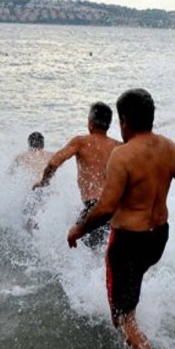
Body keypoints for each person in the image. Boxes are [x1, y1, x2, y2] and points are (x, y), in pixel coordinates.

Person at [67, 88, 175, 349]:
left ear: (125, 120)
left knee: (121, 318)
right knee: (130, 291)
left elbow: (105, 208)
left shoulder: (123, 155)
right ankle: (136, 332)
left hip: (127, 241)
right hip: (158, 239)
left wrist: (78, 229)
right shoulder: (170, 148)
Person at [34, 102, 120, 247]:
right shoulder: (119, 146)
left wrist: (44, 181)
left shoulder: (81, 142)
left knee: (78, 252)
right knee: (104, 257)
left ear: (90, 123)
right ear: (108, 125)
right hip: (115, 211)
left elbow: (54, 162)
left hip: (93, 210)